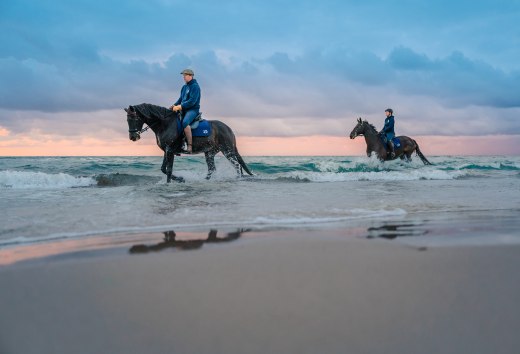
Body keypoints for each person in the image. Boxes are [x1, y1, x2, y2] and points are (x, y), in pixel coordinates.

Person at [170, 68, 201, 153]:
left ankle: (190, 146)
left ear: (190, 76)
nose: (183, 77)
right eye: (183, 75)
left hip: (193, 110)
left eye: (185, 75)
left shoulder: (195, 87)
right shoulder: (184, 87)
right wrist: (174, 105)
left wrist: (180, 107)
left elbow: (192, 101)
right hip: (184, 109)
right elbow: (180, 99)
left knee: (185, 122)